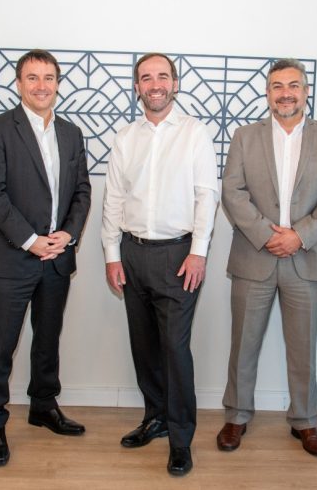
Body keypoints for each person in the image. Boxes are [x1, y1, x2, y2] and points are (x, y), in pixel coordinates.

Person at [217, 58, 317, 457]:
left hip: (306, 259)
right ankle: (236, 415)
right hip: (254, 256)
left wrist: (299, 235)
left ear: (306, 91)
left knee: (303, 347)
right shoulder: (245, 136)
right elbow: (232, 192)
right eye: (277, 86)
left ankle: (305, 421)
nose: (285, 93)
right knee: (243, 344)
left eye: (293, 85)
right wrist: (265, 234)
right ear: (268, 93)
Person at [101, 53, 219, 476]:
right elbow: (114, 198)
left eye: (162, 76)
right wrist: (112, 254)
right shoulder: (125, 137)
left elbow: (207, 195)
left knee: (175, 348)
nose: (155, 84)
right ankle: (156, 418)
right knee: (145, 345)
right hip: (133, 253)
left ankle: (181, 438)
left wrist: (199, 251)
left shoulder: (194, 133)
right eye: (146, 77)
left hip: (178, 255)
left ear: (175, 83)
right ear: (137, 87)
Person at [0, 49, 92, 467]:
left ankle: (43, 406)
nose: (41, 86)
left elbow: (82, 191)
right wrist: (30, 240)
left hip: (57, 257)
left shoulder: (71, 133)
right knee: (0, 346)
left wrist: (68, 235)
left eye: (48, 78)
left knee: (47, 340)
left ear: (57, 83)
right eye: (32, 78)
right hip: (12, 258)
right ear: (19, 84)